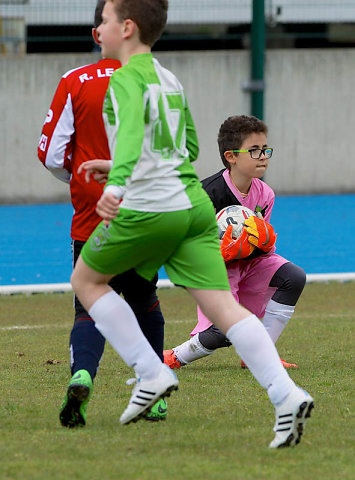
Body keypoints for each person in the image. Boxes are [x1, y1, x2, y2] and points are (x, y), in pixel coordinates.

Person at [71, 0, 314, 448]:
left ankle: (151, 373)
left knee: (86, 280)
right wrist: (122, 165)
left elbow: (130, 139)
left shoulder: (124, 77)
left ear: (126, 28)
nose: (97, 28)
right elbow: (186, 144)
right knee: (225, 308)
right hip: (194, 206)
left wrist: (117, 184)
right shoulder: (169, 78)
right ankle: (286, 396)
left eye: (103, 19)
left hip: (153, 207)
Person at [37, 0, 167, 428]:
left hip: (94, 211)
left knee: (88, 304)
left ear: (103, 31)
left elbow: (52, 153)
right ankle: (154, 393)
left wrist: (81, 181)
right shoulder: (157, 80)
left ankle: (82, 375)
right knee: (145, 301)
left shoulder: (74, 81)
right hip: (145, 207)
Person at [164, 115, 306, 371]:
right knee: (227, 330)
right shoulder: (204, 194)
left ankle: (259, 356)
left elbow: (265, 252)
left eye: (265, 150)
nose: (263, 156)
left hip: (250, 264)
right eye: (254, 151)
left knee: (293, 277)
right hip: (214, 271)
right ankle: (173, 356)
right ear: (231, 157)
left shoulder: (265, 194)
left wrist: (264, 241)